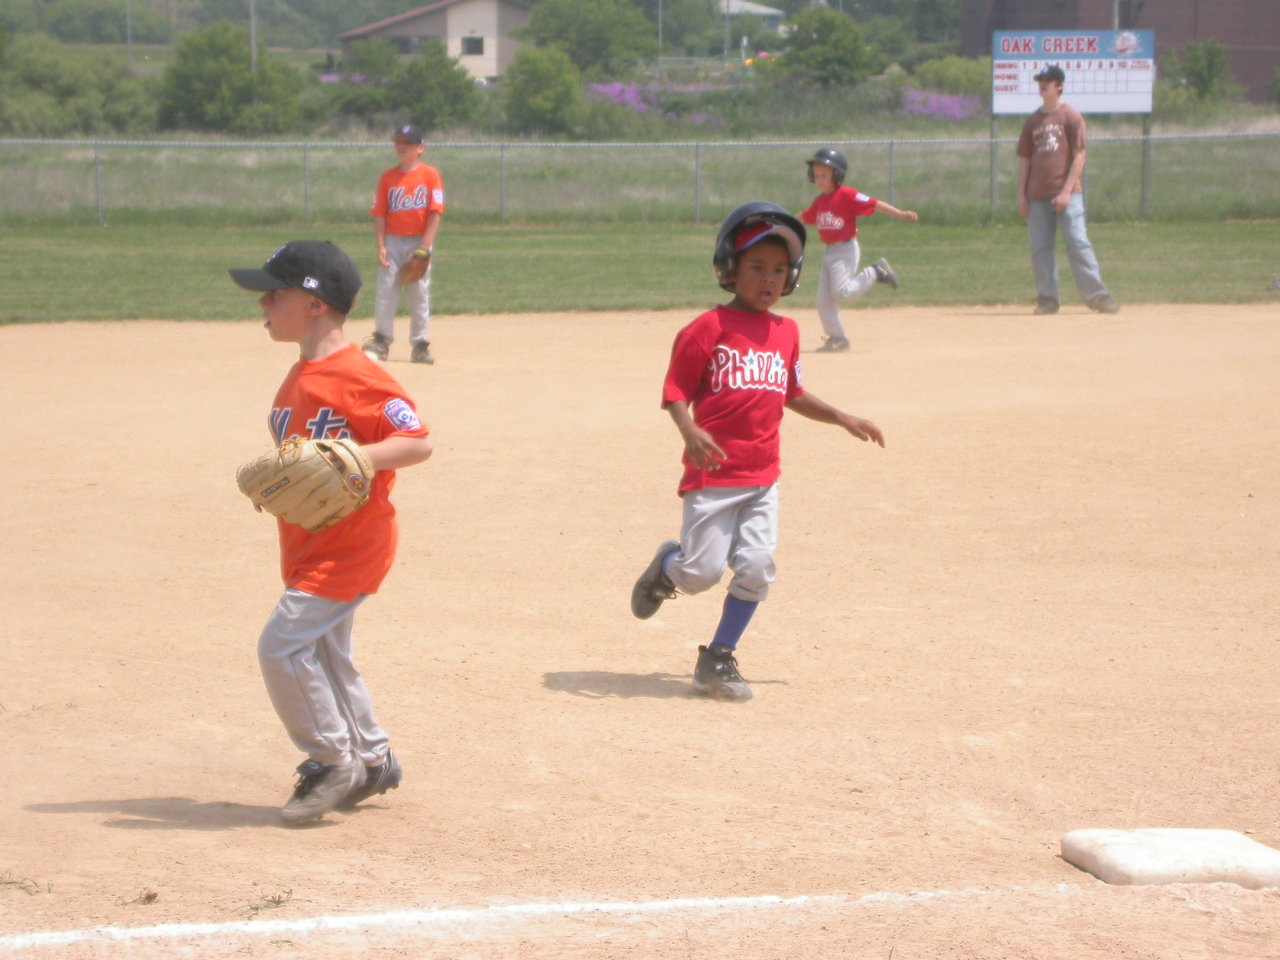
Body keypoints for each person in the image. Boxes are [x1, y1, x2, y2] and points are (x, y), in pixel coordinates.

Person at [629, 202, 885, 701]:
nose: (769, 278)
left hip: (763, 478)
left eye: (779, 270)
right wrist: (688, 429)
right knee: (700, 574)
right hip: (713, 476)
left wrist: (842, 417)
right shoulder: (708, 328)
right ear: (730, 267)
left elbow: (792, 394)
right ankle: (666, 567)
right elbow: (676, 390)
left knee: (757, 566)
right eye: (757, 267)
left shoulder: (787, 333)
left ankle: (718, 657)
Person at [230, 240, 433, 823]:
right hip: (312, 540)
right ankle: (371, 759)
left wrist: (359, 458)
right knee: (324, 651)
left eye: (275, 294)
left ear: (314, 304)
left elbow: (417, 441)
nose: (263, 303)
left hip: (351, 545)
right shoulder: (301, 374)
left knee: (281, 645)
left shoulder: (355, 374)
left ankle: (329, 760)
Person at [1017, 65, 1121, 315]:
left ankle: (1098, 296)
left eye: (1048, 81)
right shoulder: (1033, 121)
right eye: (1040, 80)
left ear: (1060, 86)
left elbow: (1079, 157)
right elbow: (1026, 160)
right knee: (1040, 249)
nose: (1043, 84)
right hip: (1037, 195)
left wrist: (1066, 192)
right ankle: (1048, 299)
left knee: (1078, 243)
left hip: (1068, 194)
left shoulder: (1071, 116)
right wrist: (1021, 194)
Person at [800, 148, 919, 353]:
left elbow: (874, 204)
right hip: (830, 252)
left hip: (845, 249)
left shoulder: (847, 195)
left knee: (841, 293)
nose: (819, 179)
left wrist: (900, 214)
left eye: (824, 175)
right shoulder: (821, 201)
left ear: (837, 175)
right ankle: (837, 338)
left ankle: (876, 272)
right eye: (816, 175)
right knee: (824, 300)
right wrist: (782, 222)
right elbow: (806, 216)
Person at [363, 123, 446, 365]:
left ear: (421, 148)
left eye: (407, 143)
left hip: (419, 241)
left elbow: (436, 212)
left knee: (419, 293)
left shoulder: (430, 175)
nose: (401, 146)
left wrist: (425, 247)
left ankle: (420, 345)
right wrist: (381, 246)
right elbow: (380, 214)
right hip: (392, 241)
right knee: (387, 291)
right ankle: (382, 340)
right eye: (398, 142)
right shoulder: (388, 178)